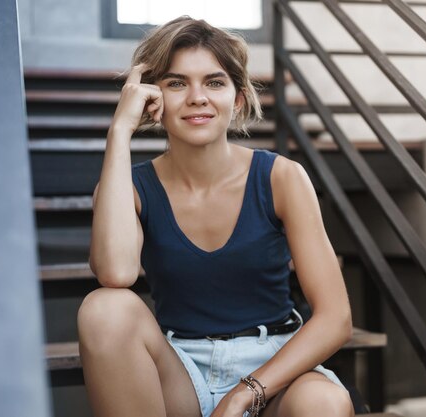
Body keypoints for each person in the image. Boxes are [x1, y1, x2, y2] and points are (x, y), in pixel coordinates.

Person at [77, 16, 354, 417]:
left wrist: (246, 391)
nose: (197, 97)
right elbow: (116, 274)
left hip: (274, 366)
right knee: (104, 309)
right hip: (181, 370)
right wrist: (120, 130)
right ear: (152, 98)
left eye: (214, 82)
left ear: (237, 99)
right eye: (176, 83)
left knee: (324, 402)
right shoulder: (129, 187)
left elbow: (335, 318)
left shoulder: (281, 177)